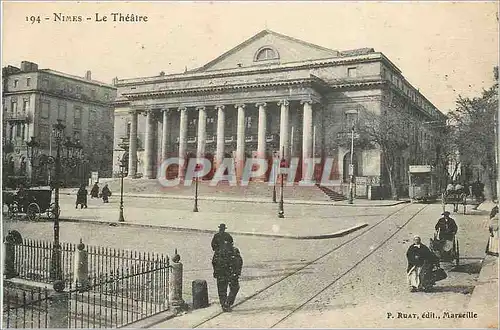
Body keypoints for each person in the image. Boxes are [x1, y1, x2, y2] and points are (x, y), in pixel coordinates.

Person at [212, 246, 243, 312]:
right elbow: (239, 262)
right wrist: (237, 273)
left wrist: (215, 272)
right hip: (231, 273)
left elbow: (214, 262)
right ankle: (227, 303)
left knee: (222, 290)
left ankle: (224, 304)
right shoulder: (234, 250)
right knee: (234, 288)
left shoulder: (218, 251)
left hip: (222, 273)